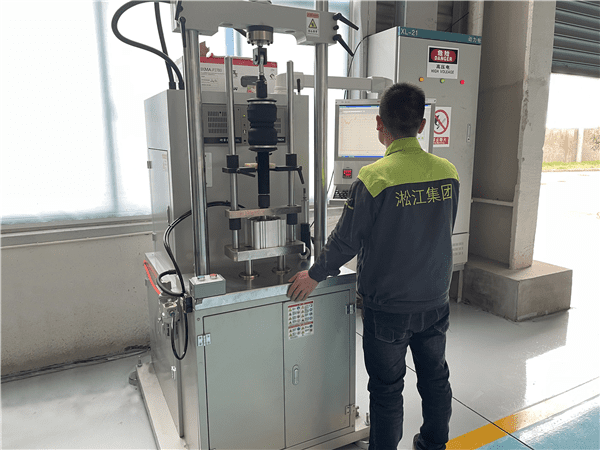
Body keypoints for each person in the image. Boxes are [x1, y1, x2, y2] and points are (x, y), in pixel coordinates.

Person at [287, 82, 459, 450]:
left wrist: (313, 275)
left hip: (388, 308)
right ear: (422, 125)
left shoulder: (375, 178)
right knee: (435, 379)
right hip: (435, 301)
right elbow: (442, 228)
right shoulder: (448, 172)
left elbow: (345, 241)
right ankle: (434, 444)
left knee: (386, 390)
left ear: (379, 123)